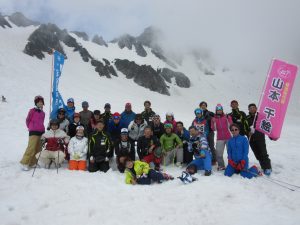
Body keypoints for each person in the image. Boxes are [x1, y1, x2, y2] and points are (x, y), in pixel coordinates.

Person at [20, 96, 45, 171]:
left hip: (41, 132)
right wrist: (31, 127)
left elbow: (42, 122)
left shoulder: (43, 113)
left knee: (38, 148)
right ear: (36, 103)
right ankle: (25, 163)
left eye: (41, 102)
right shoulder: (32, 111)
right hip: (33, 131)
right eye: (39, 102)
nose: (40, 103)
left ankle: (33, 163)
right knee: (31, 147)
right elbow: (28, 120)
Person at [247, 103, 272, 176]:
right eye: (250, 108)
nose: (252, 109)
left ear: (256, 108)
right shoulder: (247, 118)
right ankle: (263, 165)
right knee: (257, 154)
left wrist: (271, 136)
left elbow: (267, 126)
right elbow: (244, 128)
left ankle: (267, 167)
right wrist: (248, 132)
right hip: (251, 139)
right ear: (248, 109)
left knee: (263, 153)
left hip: (260, 137)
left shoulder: (261, 116)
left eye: (253, 107)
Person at [211, 104, 233, 170]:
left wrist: (228, 119)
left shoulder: (226, 116)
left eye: (220, 110)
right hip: (219, 138)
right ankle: (221, 166)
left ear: (222, 110)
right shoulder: (214, 118)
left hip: (228, 137)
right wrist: (214, 122)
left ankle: (232, 165)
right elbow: (213, 129)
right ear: (216, 111)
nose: (219, 111)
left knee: (230, 153)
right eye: (218, 110)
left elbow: (231, 126)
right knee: (219, 153)